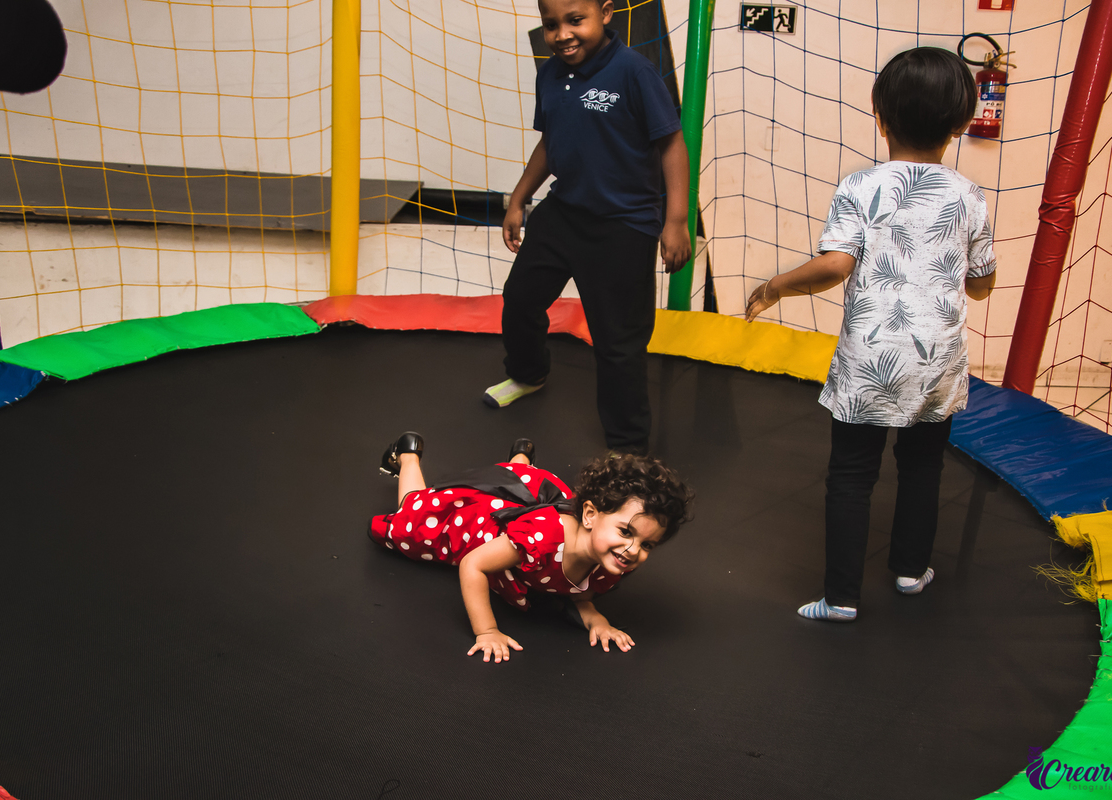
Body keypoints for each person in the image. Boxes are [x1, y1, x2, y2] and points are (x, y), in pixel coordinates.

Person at [744, 47, 998, 622]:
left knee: (853, 473)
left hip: (871, 356)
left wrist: (777, 285)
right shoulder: (971, 196)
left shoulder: (861, 185)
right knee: (924, 465)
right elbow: (981, 286)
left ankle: (841, 598)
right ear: (961, 123)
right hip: (937, 356)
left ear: (879, 115)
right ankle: (910, 571)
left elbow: (835, 267)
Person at [481, 0, 692, 457]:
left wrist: (676, 220)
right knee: (520, 298)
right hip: (566, 211)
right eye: (551, 25)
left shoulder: (635, 72)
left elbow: (671, 143)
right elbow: (549, 142)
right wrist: (519, 198)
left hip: (624, 224)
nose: (562, 35)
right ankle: (530, 373)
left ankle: (628, 446)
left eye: (575, 21)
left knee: (619, 342)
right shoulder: (551, 73)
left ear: (606, 13)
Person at [369, 431, 693, 661]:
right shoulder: (543, 537)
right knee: (410, 518)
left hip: (527, 495)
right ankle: (408, 454)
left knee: (518, 479)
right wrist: (487, 631)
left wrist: (595, 618)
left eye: (648, 544)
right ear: (591, 515)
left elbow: (577, 588)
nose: (633, 550)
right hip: (474, 524)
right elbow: (473, 565)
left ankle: (520, 463)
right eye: (626, 532)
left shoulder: (609, 555)